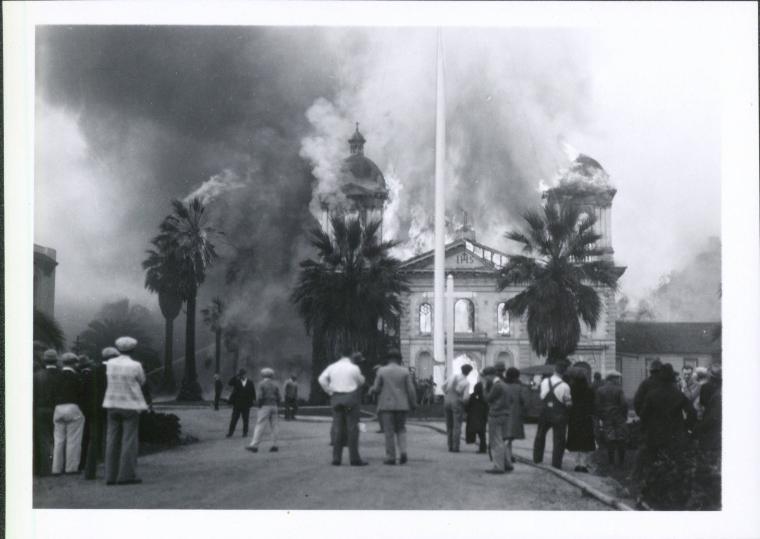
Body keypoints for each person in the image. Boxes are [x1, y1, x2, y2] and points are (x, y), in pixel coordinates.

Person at [102, 336, 148, 485]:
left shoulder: (109, 363)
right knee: (129, 440)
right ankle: (126, 475)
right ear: (133, 349)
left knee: (111, 439)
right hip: (130, 405)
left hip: (112, 403)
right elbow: (142, 381)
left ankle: (110, 476)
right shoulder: (135, 365)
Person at [318, 348, 368, 466]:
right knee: (352, 428)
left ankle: (336, 458)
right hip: (350, 400)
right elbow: (360, 382)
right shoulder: (354, 368)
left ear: (340, 354)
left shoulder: (332, 367)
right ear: (351, 355)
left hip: (336, 399)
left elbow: (321, 379)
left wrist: (329, 391)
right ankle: (354, 458)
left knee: (338, 427)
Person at [370, 349, 417, 465]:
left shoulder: (382, 371)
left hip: (386, 405)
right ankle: (403, 452)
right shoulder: (405, 371)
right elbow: (411, 389)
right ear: (399, 359)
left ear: (388, 359)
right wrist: (413, 402)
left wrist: (371, 390)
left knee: (389, 432)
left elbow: (376, 388)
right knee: (401, 429)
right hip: (402, 405)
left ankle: (391, 457)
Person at [84, 346, 118, 480]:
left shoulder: (93, 370)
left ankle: (90, 471)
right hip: (110, 406)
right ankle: (109, 471)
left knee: (94, 440)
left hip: (94, 408)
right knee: (110, 438)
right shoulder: (115, 371)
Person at [533, 359, 572, 469]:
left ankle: (537, 459)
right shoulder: (565, 386)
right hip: (559, 414)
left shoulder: (544, 382)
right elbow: (568, 403)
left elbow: (541, 396)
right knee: (559, 439)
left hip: (545, 412)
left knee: (540, 435)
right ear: (564, 372)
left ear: (554, 370)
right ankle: (556, 463)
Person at [51, 353, 86, 474]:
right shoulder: (76, 376)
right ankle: (71, 468)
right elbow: (81, 393)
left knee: (59, 440)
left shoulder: (56, 376)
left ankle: (56, 468)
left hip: (58, 407)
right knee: (73, 439)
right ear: (73, 363)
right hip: (72, 406)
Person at [33, 349, 59, 476]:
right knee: (58, 438)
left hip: (40, 409)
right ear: (56, 360)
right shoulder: (60, 374)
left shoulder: (37, 375)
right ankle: (57, 466)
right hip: (57, 409)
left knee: (44, 439)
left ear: (44, 360)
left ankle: (45, 469)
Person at [594, 370, 628, 467]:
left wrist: (601, 416)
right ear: (612, 378)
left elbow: (597, 405)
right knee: (621, 438)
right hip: (618, 417)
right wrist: (624, 416)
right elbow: (624, 404)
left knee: (610, 438)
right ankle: (621, 462)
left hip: (607, 417)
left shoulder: (600, 390)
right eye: (617, 378)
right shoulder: (619, 389)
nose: (618, 380)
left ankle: (611, 462)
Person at [566, 368, 596, 473]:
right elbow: (593, 404)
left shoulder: (571, 389)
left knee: (576, 439)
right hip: (586, 417)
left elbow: (569, 403)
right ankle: (583, 464)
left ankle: (577, 463)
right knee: (585, 441)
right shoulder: (589, 389)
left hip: (574, 417)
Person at [247, 368, 281, 453]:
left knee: (260, 425)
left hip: (265, 406)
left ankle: (254, 445)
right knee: (274, 426)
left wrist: (259, 405)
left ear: (263, 375)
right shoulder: (275, 384)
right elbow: (279, 397)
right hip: (274, 406)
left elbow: (260, 397)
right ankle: (275, 445)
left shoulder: (261, 384)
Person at [442, 364, 473, 452]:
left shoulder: (452, 376)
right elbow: (466, 398)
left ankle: (450, 445)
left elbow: (443, 386)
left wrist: (447, 394)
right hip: (457, 401)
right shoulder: (466, 382)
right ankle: (456, 446)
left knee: (449, 424)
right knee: (457, 425)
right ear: (469, 372)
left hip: (447, 399)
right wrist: (465, 403)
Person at [227, 368, 256, 437]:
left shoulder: (250, 382)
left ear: (246, 375)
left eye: (243, 374)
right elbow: (229, 383)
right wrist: (236, 376)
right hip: (237, 404)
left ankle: (245, 433)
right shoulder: (236, 381)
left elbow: (253, 392)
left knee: (245, 420)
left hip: (246, 404)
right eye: (241, 374)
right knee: (234, 419)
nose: (242, 376)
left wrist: (253, 401)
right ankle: (230, 433)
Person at [465, 377, 488, 454]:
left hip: (472, 417)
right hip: (482, 417)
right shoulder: (484, 397)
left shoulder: (472, 396)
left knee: (474, 431)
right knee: (482, 434)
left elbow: (467, 406)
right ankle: (483, 448)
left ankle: (477, 445)